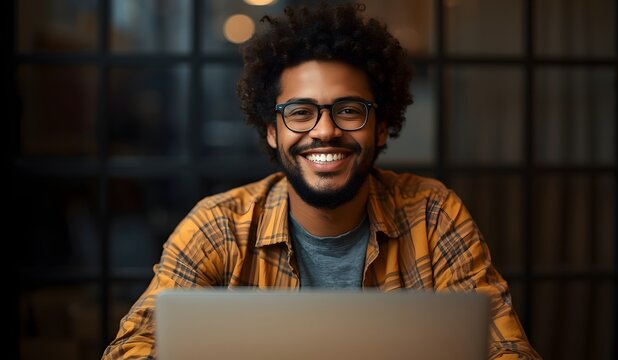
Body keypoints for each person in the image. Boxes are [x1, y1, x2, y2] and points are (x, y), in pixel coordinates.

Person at [103, 3, 541, 359]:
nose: (325, 130)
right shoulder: (217, 227)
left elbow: (507, 352)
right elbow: (132, 350)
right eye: (300, 112)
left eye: (349, 110)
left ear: (382, 127)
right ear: (272, 132)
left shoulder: (433, 215)